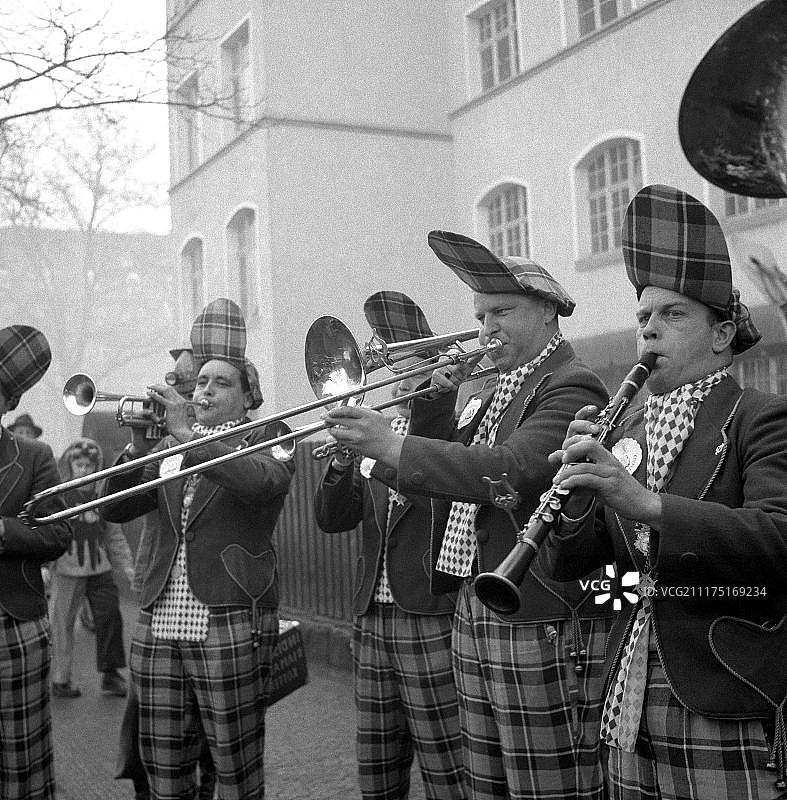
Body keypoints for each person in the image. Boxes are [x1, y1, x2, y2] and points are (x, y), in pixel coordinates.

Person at [325, 231, 615, 800]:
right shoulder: (496, 390)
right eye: (481, 315)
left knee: (543, 785)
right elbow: (444, 482)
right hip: (473, 605)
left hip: (536, 614)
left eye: (500, 312)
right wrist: (408, 422)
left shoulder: (570, 383)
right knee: (485, 782)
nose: (485, 329)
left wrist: (392, 446)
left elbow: (512, 468)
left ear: (548, 313)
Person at [545, 184, 787, 800]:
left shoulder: (761, 416)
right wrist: (572, 501)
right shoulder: (627, 428)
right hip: (630, 687)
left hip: (727, 688)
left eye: (673, 315)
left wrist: (644, 503)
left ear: (721, 333)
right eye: (643, 318)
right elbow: (572, 563)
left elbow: (777, 537)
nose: (649, 332)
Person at [101, 298, 294, 800]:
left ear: (250, 395)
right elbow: (114, 509)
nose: (205, 389)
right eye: (201, 381)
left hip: (229, 617)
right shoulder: (174, 442)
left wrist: (189, 436)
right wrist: (142, 446)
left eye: (222, 382)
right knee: (164, 767)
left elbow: (259, 483)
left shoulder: (273, 434)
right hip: (158, 621)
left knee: (236, 767)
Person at [314, 291, 466, 800]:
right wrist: (339, 465)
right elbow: (331, 520)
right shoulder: (366, 430)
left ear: (427, 360)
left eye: (402, 356)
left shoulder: (446, 422)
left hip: (427, 612)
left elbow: (430, 479)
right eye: (382, 356)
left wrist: (433, 398)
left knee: (447, 766)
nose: (389, 368)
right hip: (371, 619)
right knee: (377, 769)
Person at [0, 325, 71, 800]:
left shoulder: (34, 456)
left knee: (20, 766)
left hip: (13, 627)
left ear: (7, 404)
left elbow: (57, 533)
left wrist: (4, 530)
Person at [49, 438, 134, 699]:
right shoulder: (59, 496)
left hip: (100, 568)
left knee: (110, 617)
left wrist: (127, 568)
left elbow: (114, 536)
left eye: (89, 464)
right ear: (69, 464)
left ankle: (110, 674)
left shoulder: (102, 497)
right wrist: (45, 564)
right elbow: (47, 532)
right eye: (79, 463)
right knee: (62, 624)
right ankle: (60, 678)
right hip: (66, 568)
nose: (84, 469)